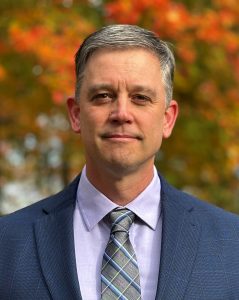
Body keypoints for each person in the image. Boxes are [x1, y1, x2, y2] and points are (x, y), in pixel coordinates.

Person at [0, 24, 239, 300]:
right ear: (76, 114)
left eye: (140, 98)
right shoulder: (7, 244)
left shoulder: (232, 244)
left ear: (168, 118)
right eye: (103, 96)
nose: (122, 113)